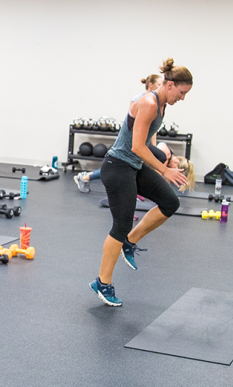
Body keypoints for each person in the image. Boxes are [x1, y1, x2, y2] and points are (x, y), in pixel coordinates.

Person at [90, 58, 193, 307]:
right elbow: (136, 146)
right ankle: (102, 283)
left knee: (170, 202)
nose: (182, 98)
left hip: (133, 166)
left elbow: (143, 144)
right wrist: (164, 170)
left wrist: (161, 157)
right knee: (120, 224)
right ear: (169, 85)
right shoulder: (147, 103)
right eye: (181, 92)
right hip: (118, 167)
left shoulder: (161, 104)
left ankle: (131, 241)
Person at [75, 74, 171, 193]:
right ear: (150, 85)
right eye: (159, 84)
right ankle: (86, 176)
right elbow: (131, 123)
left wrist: (153, 145)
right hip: (131, 143)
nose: (161, 87)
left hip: (142, 143)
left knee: (160, 156)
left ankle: (139, 186)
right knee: (119, 165)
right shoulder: (141, 100)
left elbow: (152, 129)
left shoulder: (158, 104)